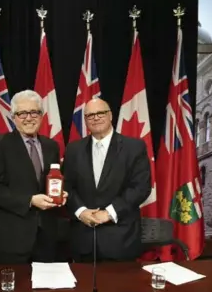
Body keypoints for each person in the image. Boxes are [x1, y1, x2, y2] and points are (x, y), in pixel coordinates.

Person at [0, 89, 67, 264]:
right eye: (22, 113)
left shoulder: (51, 146)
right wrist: (29, 200)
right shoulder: (0, 145)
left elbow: (52, 181)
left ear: (42, 115)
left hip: (47, 237)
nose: (29, 118)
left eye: (34, 112)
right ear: (13, 117)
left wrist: (60, 194)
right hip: (12, 238)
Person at [63, 98, 151, 262]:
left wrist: (109, 213)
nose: (95, 118)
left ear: (110, 115)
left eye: (100, 113)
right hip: (83, 240)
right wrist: (81, 212)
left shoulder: (134, 147)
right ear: (85, 120)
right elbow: (66, 186)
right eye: (90, 115)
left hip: (121, 239)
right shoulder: (73, 149)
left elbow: (141, 187)